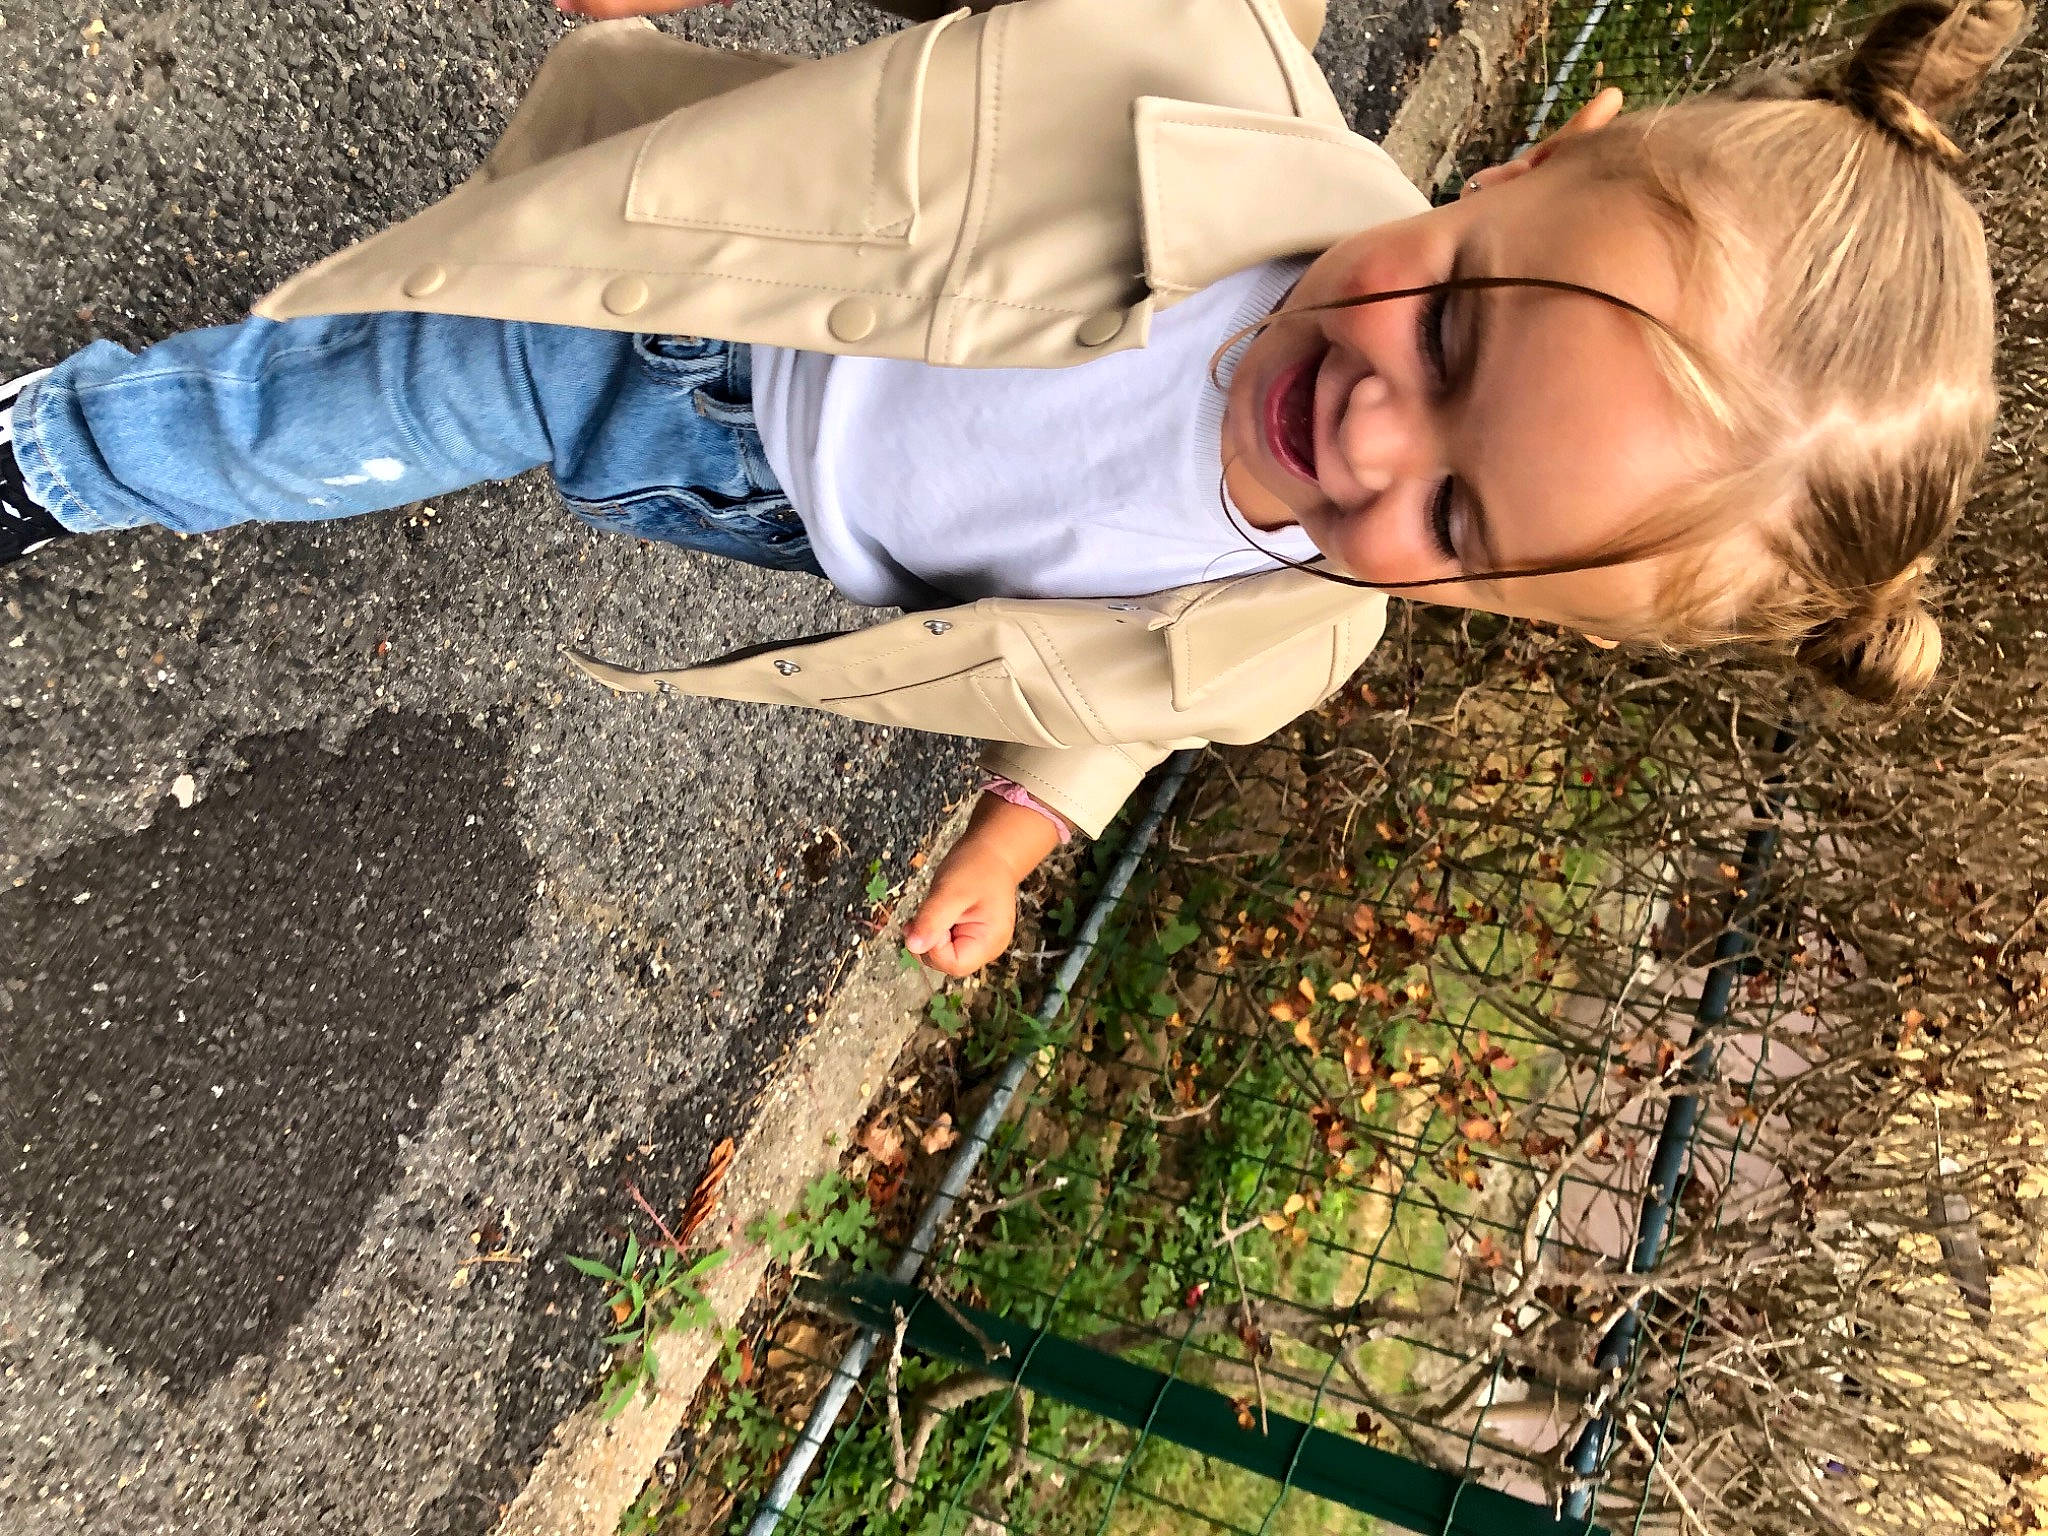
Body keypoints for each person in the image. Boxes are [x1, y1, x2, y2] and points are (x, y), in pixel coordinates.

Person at [0, 0, 2024, 975]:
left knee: (434, 361)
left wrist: (1014, 832)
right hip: (668, 298)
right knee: (331, 404)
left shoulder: (1291, 635)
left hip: (737, 491)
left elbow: (1125, 700)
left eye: (1466, 525)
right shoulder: (1192, 72)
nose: (1377, 435)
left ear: (1495, 608)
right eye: (1460, 337)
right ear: (1520, 169)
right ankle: (52, 457)